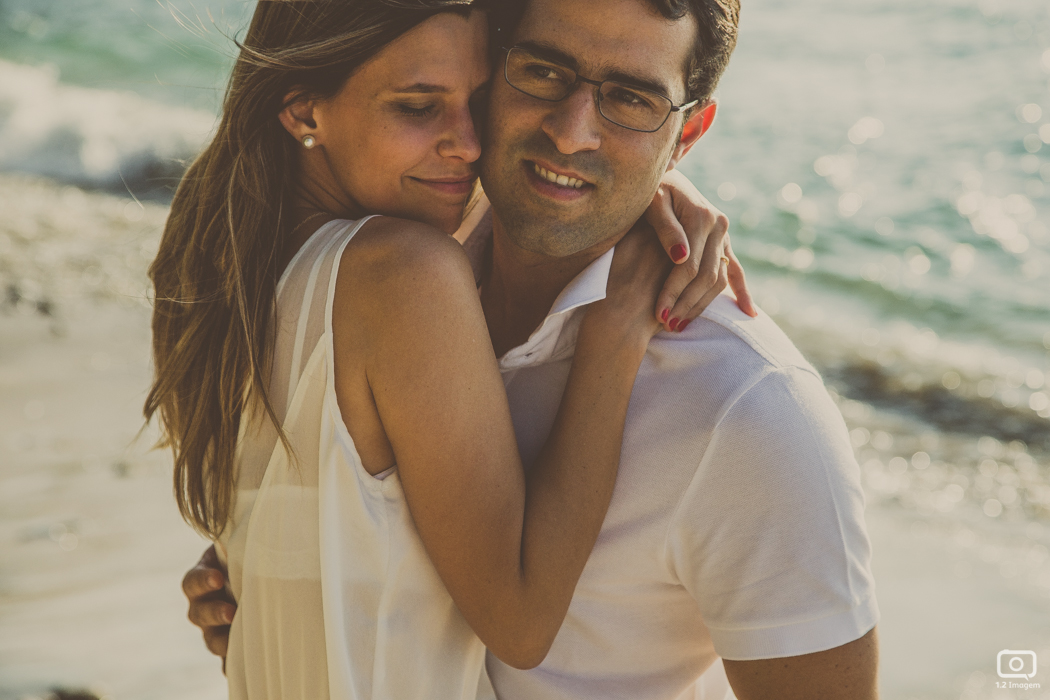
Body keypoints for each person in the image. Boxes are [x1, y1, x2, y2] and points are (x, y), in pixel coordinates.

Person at [187, 0, 882, 698]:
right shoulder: (407, 279)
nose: (571, 132)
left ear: (688, 131)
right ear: (498, 65)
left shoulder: (750, 409)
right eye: (544, 71)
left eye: (632, 99)